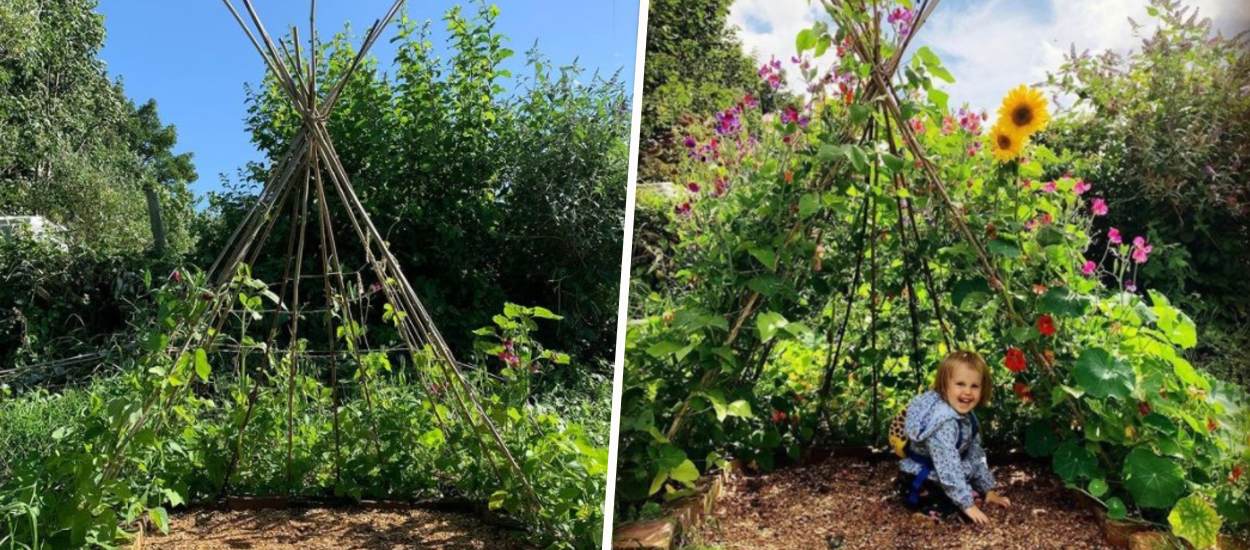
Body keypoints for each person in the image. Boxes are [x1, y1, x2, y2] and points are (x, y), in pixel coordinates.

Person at [895, 350, 1012, 524]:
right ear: (944, 386)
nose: (967, 392)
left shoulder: (967, 416)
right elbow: (947, 466)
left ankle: (962, 495)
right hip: (922, 478)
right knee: (951, 508)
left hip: (942, 473)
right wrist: (966, 504)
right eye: (960, 384)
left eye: (974, 386)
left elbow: (975, 453)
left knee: (968, 494)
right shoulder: (943, 422)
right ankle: (926, 516)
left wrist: (987, 489)